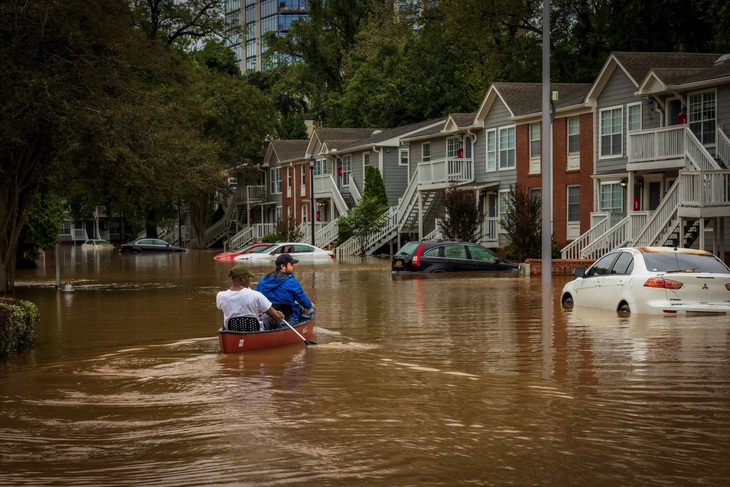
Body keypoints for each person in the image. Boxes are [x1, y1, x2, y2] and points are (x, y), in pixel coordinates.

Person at [216, 264, 284, 330]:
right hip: (254, 331)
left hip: (232, 330)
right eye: (248, 277)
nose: (249, 280)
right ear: (242, 278)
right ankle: (279, 337)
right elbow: (277, 317)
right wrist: (280, 315)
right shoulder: (256, 295)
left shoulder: (220, 296)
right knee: (269, 317)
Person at [256, 253, 315, 323]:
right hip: (288, 319)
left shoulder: (264, 280)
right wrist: (311, 305)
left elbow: (256, 297)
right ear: (283, 266)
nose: (294, 267)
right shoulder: (292, 282)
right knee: (309, 308)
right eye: (291, 265)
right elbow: (304, 301)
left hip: (268, 316)